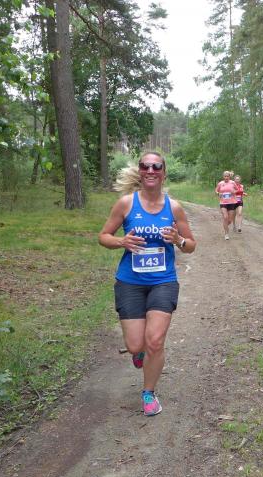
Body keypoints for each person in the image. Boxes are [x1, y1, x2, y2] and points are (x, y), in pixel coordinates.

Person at [98, 151, 197, 416]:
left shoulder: (174, 208)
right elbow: (103, 236)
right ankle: (138, 353)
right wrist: (121, 241)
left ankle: (148, 393)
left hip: (163, 281)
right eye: (145, 166)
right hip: (130, 281)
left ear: (164, 173)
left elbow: (191, 245)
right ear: (140, 172)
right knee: (135, 345)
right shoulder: (126, 204)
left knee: (155, 341)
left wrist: (178, 240)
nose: (150, 170)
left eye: (156, 166)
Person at [214, 170, 238, 240]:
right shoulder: (220, 183)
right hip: (223, 203)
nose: (226, 177)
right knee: (225, 217)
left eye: (227, 176)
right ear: (223, 176)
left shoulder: (233, 183)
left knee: (230, 220)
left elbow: (237, 190)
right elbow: (216, 190)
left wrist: (234, 192)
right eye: (225, 176)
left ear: (229, 177)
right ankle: (226, 233)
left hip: (231, 202)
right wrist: (218, 193)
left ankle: (225, 226)